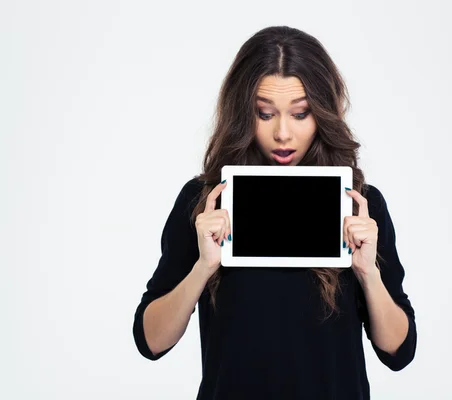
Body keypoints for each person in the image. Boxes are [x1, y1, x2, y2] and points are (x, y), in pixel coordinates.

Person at [132, 25, 417, 399]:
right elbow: (150, 341)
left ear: (322, 114)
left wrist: (368, 271)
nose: (283, 133)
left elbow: (399, 351)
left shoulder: (360, 206)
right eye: (265, 114)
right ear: (242, 114)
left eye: (300, 114)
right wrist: (203, 266)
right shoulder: (205, 203)